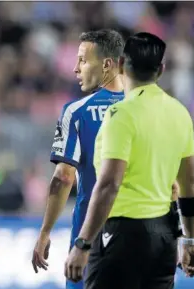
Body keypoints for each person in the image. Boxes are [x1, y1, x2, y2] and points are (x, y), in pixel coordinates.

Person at [65, 32, 194, 289]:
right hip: (164, 237)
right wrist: (190, 242)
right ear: (160, 70)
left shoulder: (120, 114)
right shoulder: (180, 113)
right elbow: (190, 184)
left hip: (121, 234)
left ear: (120, 65)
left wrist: (82, 243)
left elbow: (109, 184)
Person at [31, 29, 125, 289]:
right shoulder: (149, 110)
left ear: (107, 64)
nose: (75, 69)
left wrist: (45, 231)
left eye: (83, 60)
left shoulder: (77, 111)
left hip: (91, 238)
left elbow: (63, 177)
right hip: (144, 237)